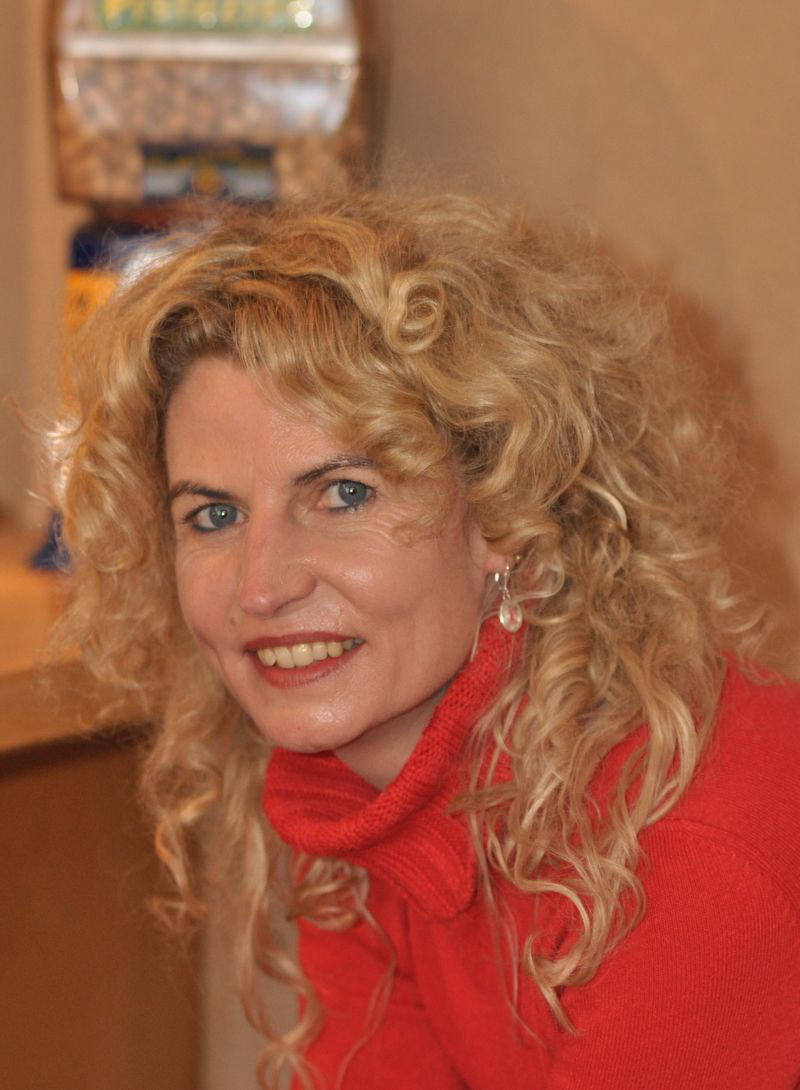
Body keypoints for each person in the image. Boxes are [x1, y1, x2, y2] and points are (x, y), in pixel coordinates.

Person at [52, 191, 800, 1089]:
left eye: (345, 494)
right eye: (213, 515)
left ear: (505, 511)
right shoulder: (372, 779)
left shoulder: (699, 854)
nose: (261, 587)